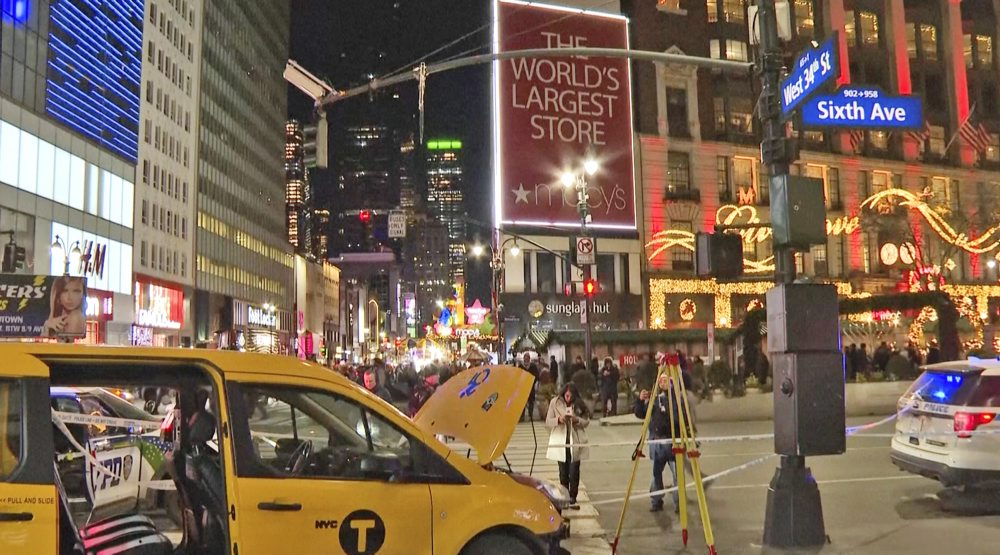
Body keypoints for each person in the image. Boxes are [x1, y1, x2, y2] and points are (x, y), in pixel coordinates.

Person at [634, 371, 709, 513]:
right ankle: (656, 501)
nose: (663, 383)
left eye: (666, 380)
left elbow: (685, 420)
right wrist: (640, 401)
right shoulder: (654, 400)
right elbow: (640, 413)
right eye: (661, 380)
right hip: (658, 443)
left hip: (674, 442)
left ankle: (679, 503)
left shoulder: (678, 400)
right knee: (656, 474)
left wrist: (690, 436)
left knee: (677, 475)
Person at [545, 383, 590, 508]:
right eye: (566, 395)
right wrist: (558, 420)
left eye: (570, 395)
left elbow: (586, 422)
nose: (568, 397)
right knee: (563, 472)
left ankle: (573, 498)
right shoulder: (555, 402)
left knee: (574, 471)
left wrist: (576, 420)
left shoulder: (579, 404)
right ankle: (564, 497)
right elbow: (548, 421)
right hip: (561, 441)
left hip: (575, 442)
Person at [518, 353, 540, 420]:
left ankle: (530, 415)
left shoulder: (533, 366)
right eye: (525, 357)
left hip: (531, 386)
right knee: (522, 402)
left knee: (531, 401)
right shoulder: (521, 366)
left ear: (529, 358)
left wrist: (532, 382)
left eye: (527, 357)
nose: (526, 359)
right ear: (524, 358)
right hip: (523, 387)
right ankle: (522, 416)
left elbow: (536, 375)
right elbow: (518, 376)